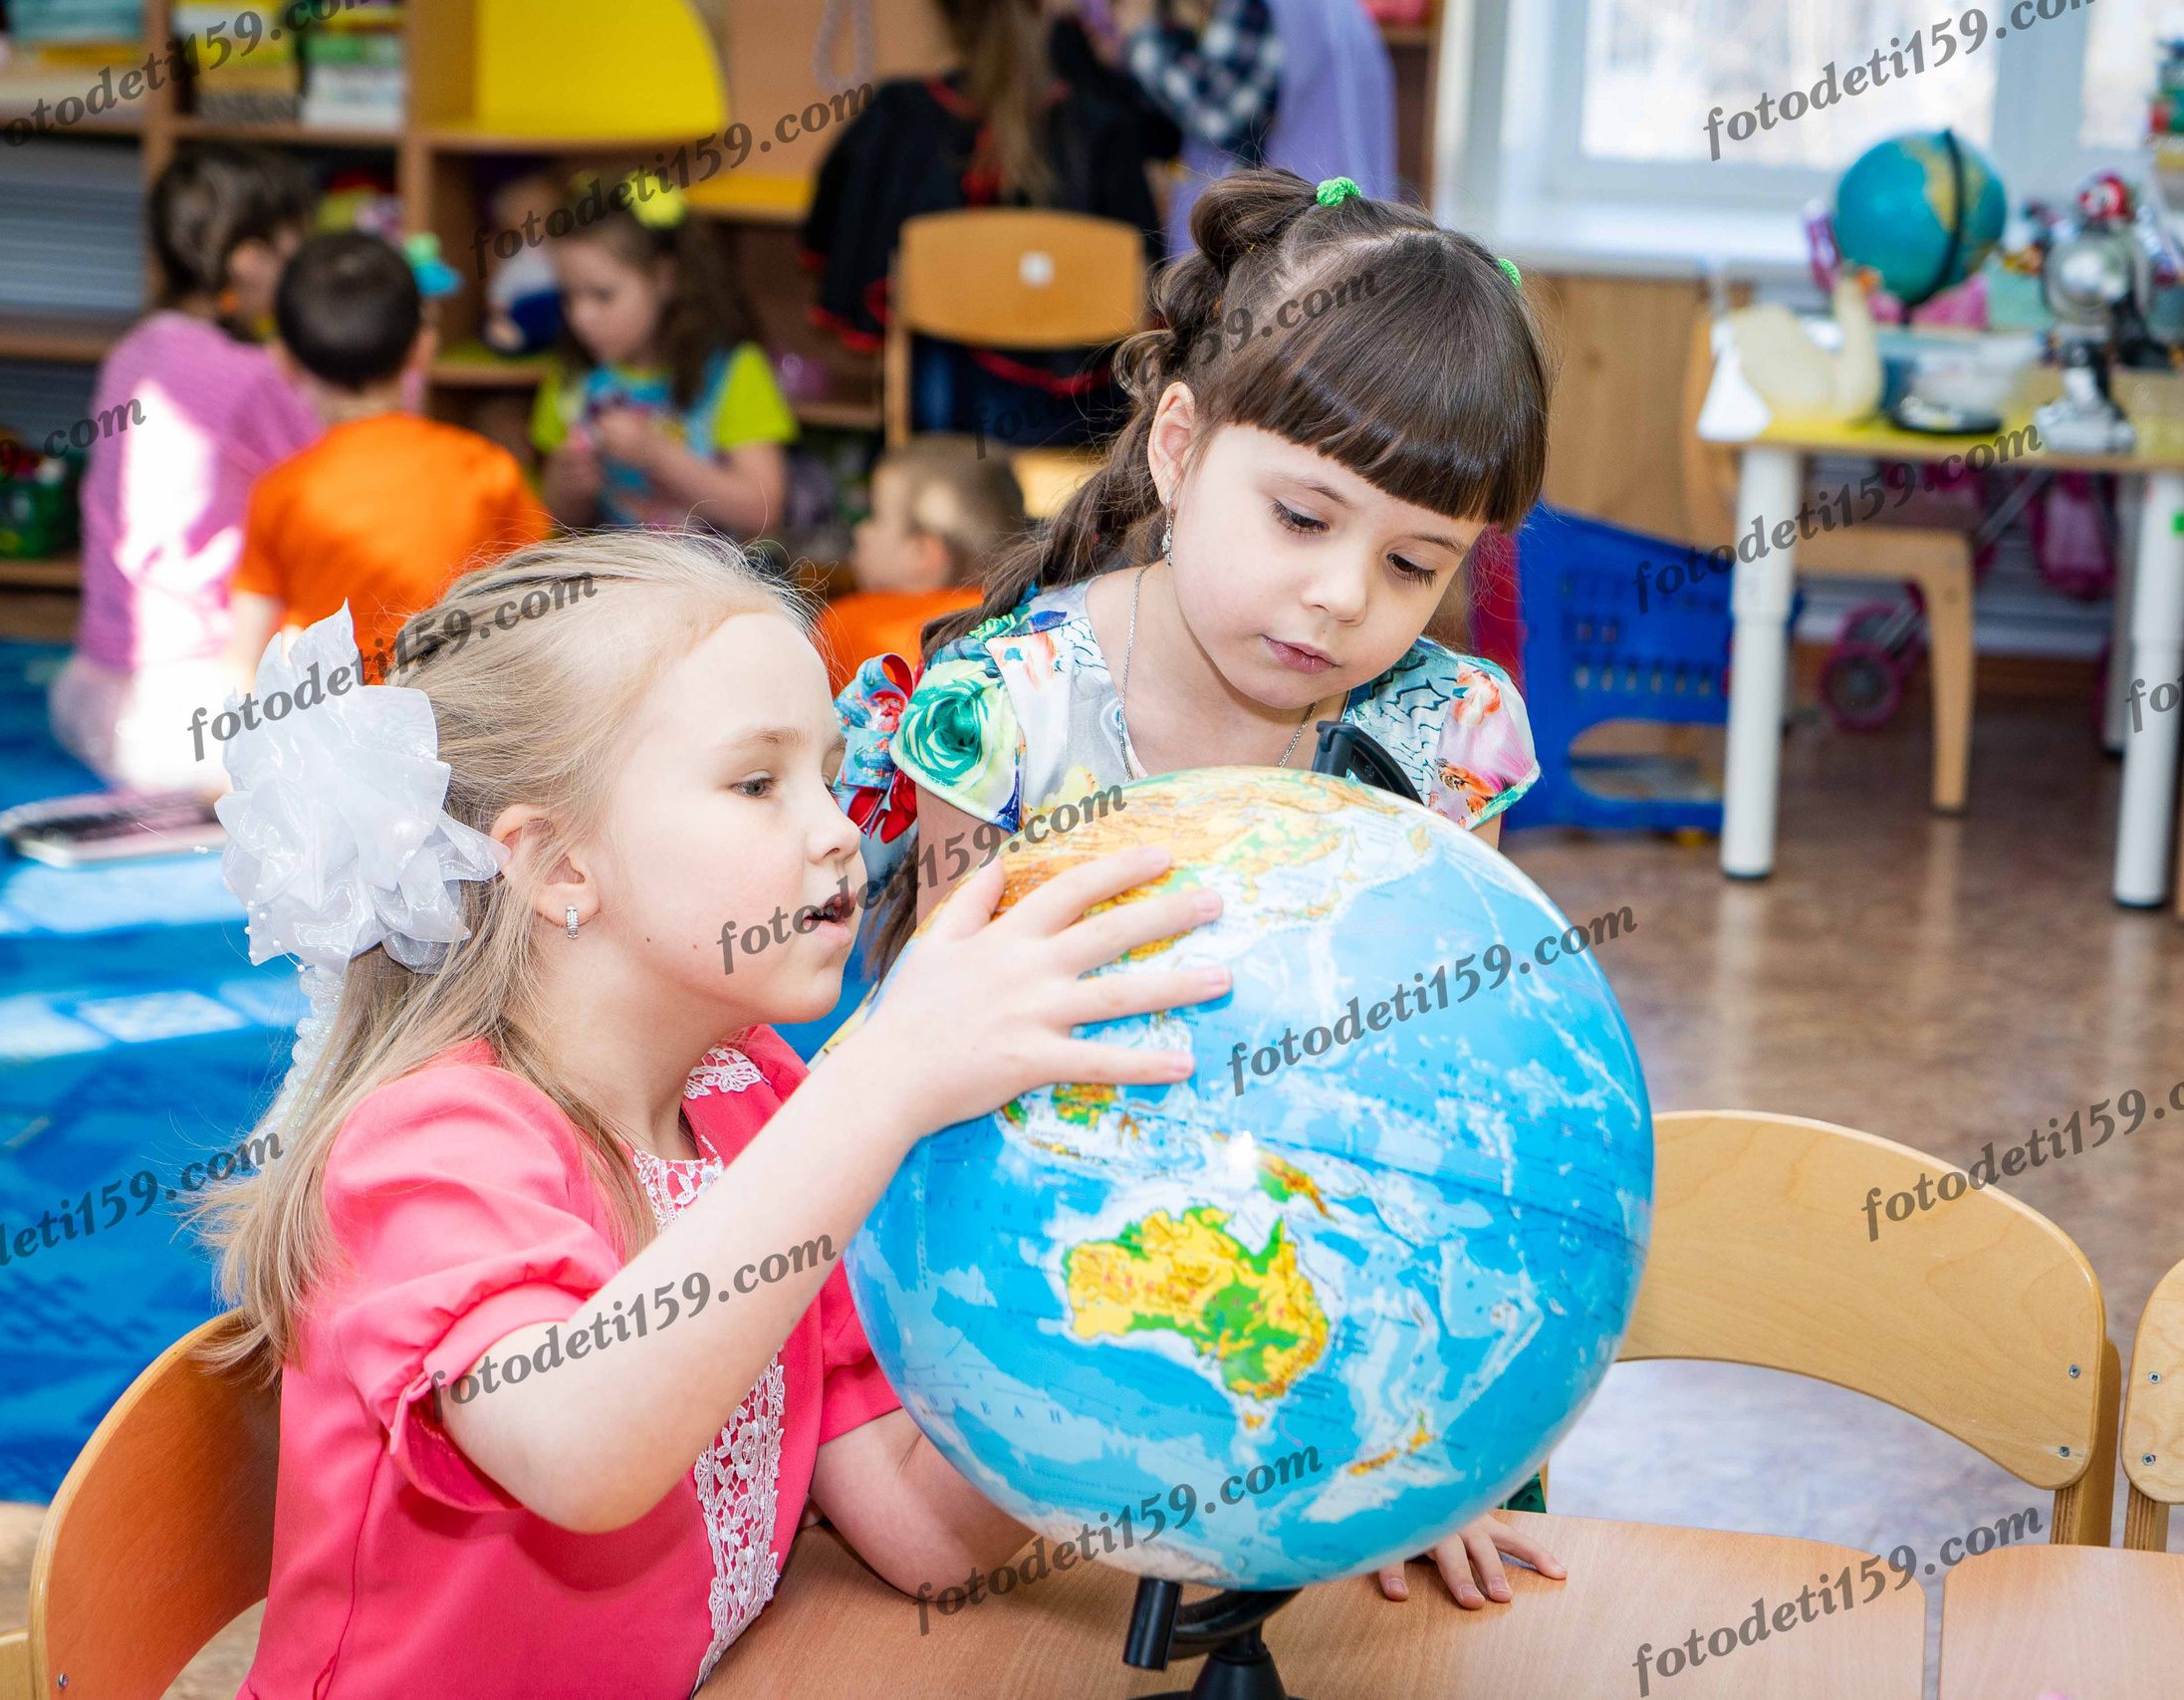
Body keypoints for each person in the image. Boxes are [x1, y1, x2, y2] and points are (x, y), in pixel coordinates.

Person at [196, 529, 1230, 1698]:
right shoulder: (433, 1145)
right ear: (556, 867)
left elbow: (919, 1532)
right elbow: (582, 1451)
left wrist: (1115, 1295)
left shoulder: (745, 1094)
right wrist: (878, 1084)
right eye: (755, 784)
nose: (841, 829)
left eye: (833, 774)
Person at [831, 173, 1560, 1597]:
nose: (1346, 595)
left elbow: (1468, 1098)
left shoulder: (1441, 738)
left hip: (1318, 1318)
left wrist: (1450, 1445)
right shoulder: (1010, 711)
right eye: (1302, 518)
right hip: (1008, 1292)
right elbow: (937, 1060)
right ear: (1178, 446)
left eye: (1415, 561)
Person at [49, 143, 317, 794]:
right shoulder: (253, 376)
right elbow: (342, 463)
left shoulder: (131, 351)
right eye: (296, 251)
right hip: (195, 711)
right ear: (251, 263)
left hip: (87, 693)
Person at [800, 0, 1177, 448]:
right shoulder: (1106, 133)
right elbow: (1149, 289)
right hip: (1072, 427)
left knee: (929, 315)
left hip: (945, 424)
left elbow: (828, 238)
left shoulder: (899, 120)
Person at [225, 233, 552, 688]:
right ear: (422, 347)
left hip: (329, 732)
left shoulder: (280, 492)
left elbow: (244, 657)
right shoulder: (486, 468)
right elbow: (539, 606)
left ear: (284, 361)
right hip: (453, 727)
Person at [532, 174, 795, 539]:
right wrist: (565, 490)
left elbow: (762, 512)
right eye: (568, 297)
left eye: (603, 295)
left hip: (716, 580)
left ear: (664, 278)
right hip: (618, 577)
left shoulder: (732, 370)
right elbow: (554, 524)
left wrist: (660, 457)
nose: (581, 317)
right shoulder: (573, 380)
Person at [1110, 0, 1395, 258]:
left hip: (1287, 243)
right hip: (1340, 233)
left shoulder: (1260, 7)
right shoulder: (1338, 12)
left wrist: (1140, 36)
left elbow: (1218, 112)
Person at [816, 435, 1029, 691]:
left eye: (873, 514)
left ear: (921, 553)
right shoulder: (1024, 627)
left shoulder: (847, 627)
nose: (860, 530)